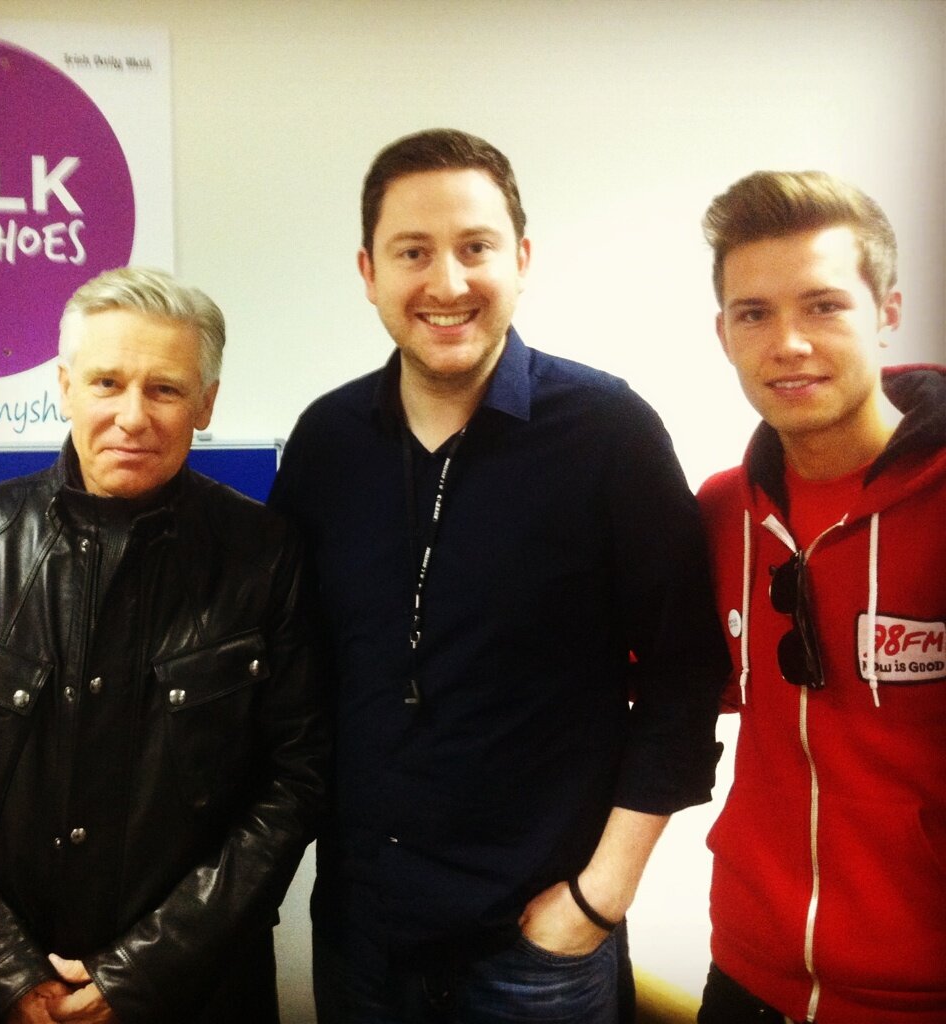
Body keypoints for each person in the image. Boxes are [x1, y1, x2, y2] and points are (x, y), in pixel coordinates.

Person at [268, 128, 729, 1024]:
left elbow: (686, 673)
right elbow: (289, 671)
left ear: (520, 259)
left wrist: (599, 899)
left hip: (538, 946)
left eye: (475, 247)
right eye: (413, 252)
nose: (447, 283)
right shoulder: (326, 442)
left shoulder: (608, 432)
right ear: (368, 272)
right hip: (364, 935)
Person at [0, 267, 328, 1024]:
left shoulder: (267, 557)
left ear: (206, 403)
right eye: (107, 382)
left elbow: (296, 784)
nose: (132, 417)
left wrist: (135, 977)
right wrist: (8, 973)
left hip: (197, 997)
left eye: (165, 389)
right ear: (65, 387)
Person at [697, 171, 946, 1023]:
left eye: (824, 306)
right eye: (754, 314)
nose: (789, 343)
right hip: (746, 977)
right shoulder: (721, 513)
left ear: (887, 312)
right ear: (724, 333)